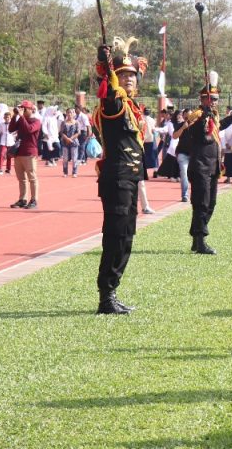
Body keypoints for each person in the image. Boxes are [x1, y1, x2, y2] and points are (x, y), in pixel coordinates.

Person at [91, 38, 149, 313]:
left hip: (130, 179)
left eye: (132, 75)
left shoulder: (133, 108)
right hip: (117, 179)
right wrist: (105, 65)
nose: (129, 79)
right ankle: (106, 296)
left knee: (126, 236)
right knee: (115, 236)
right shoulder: (113, 104)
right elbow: (108, 96)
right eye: (123, 74)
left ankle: (112, 291)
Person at [179, 72, 224, 255]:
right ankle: (200, 241)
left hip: (212, 167)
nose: (214, 102)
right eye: (211, 98)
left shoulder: (214, 116)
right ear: (203, 99)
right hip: (200, 166)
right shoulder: (197, 116)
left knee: (210, 203)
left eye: (216, 99)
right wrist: (203, 118)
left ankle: (196, 238)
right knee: (201, 204)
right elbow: (192, 133)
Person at [9, 101, 41, 209]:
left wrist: (21, 117)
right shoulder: (21, 119)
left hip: (30, 153)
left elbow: (28, 129)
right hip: (19, 152)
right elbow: (11, 129)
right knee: (21, 178)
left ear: (31, 109)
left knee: (32, 177)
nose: (22, 110)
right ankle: (22, 199)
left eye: (24, 108)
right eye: (21, 108)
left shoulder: (36, 121)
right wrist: (15, 116)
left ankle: (34, 200)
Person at [60, 108, 81, 178]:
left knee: (74, 158)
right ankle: (65, 172)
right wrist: (67, 138)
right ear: (66, 113)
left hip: (74, 142)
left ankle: (74, 172)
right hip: (65, 142)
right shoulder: (63, 122)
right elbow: (61, 132)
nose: (70, 114)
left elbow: (78, 132)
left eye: (71, 112)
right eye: (68, 112)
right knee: (65, 158)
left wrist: (71, 138)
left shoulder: (77, 122)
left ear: (74, 114)